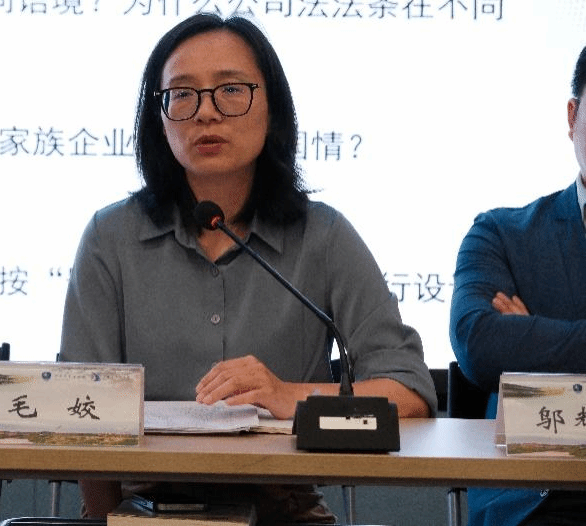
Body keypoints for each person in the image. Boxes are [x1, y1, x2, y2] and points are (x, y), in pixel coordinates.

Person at [59, 13, 436, 523]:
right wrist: (112, 521)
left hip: (284, 508)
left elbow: (408, 392)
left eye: (231, 90)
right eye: (183, 94)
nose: (206, 113)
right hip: (143, 510)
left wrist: (288, 395)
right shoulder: (111, 237)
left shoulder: (322, 235)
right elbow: (80, 407)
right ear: (159, 118)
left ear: (272, 107)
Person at [449, 45, 586, 526]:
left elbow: (510, 347)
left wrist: (534, 345)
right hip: (537, 501)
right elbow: (480, 344)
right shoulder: (502, 235)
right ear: (572, 117)